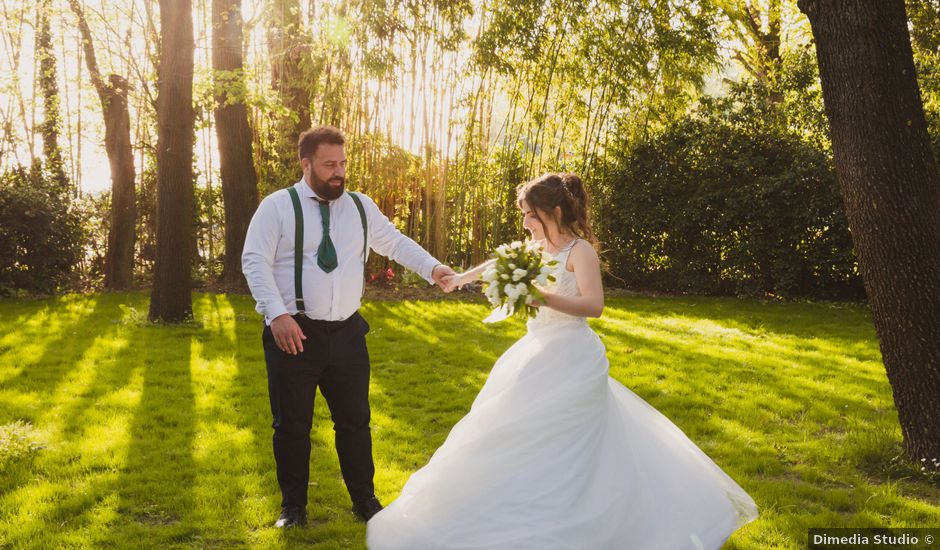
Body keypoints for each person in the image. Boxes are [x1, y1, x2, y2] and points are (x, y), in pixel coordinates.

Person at [366, 173, 758, 549]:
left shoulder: (578, 251)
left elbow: (594, 305)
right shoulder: (540, 248)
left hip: (572, 357)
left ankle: (579, 511)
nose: (524, 222)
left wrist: (541, 297)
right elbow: (498, 264)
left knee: (570, 442)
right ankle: (518, 505)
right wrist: (459, 278)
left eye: (530, 214)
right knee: (511, 432)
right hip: (535, 351)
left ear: (553, 212)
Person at [241, 125, 456, 529]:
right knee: (292, 426)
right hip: (294, 334)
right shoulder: (277, 206)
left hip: (347, 334)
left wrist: (433, 268)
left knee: (355, 421)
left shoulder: (359, 206)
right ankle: (294, 508)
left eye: (342, 163)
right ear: (306, 165)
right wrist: (277, 314)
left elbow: (393, 242)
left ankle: (365, 501)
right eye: (329, 165)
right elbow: (255, 261)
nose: (338, 172)